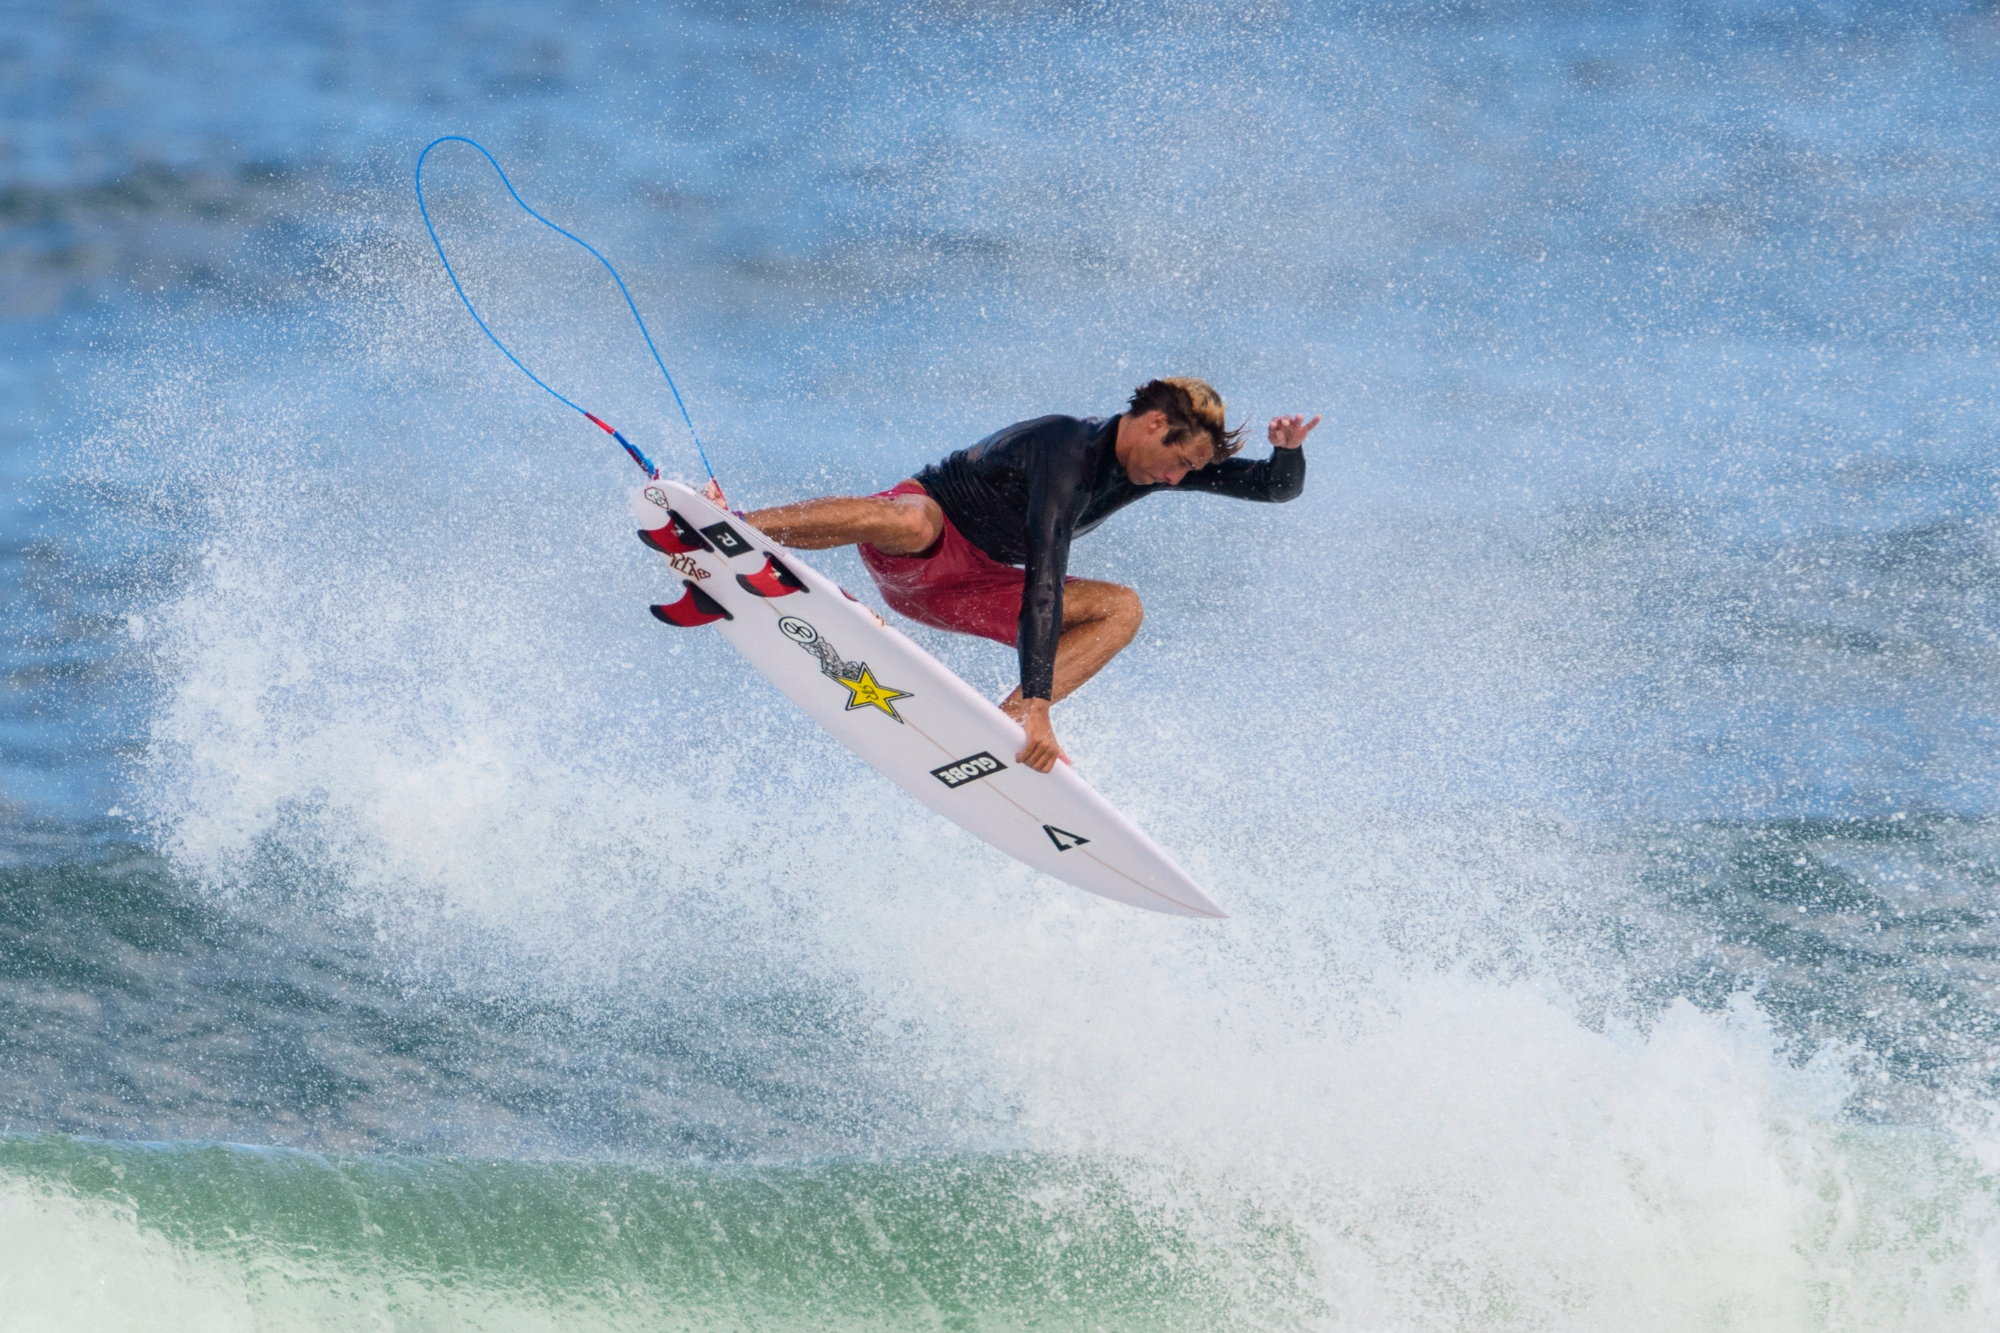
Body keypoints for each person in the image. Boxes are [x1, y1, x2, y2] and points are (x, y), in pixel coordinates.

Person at [724, 378, 1317, 773]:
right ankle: (735, 525)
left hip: (969, 592)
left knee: (1122, 608)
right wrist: (1044, 701)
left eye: (1190, 472)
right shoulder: (1065, 450)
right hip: (922, 545)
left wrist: (1287, 453)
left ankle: (1005, 724)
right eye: (1180, 463)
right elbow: (1045, 578)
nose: (1176, 480)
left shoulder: (1155, 466)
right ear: (1155, 424)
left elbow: (1272, 488)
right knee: (909, 520)